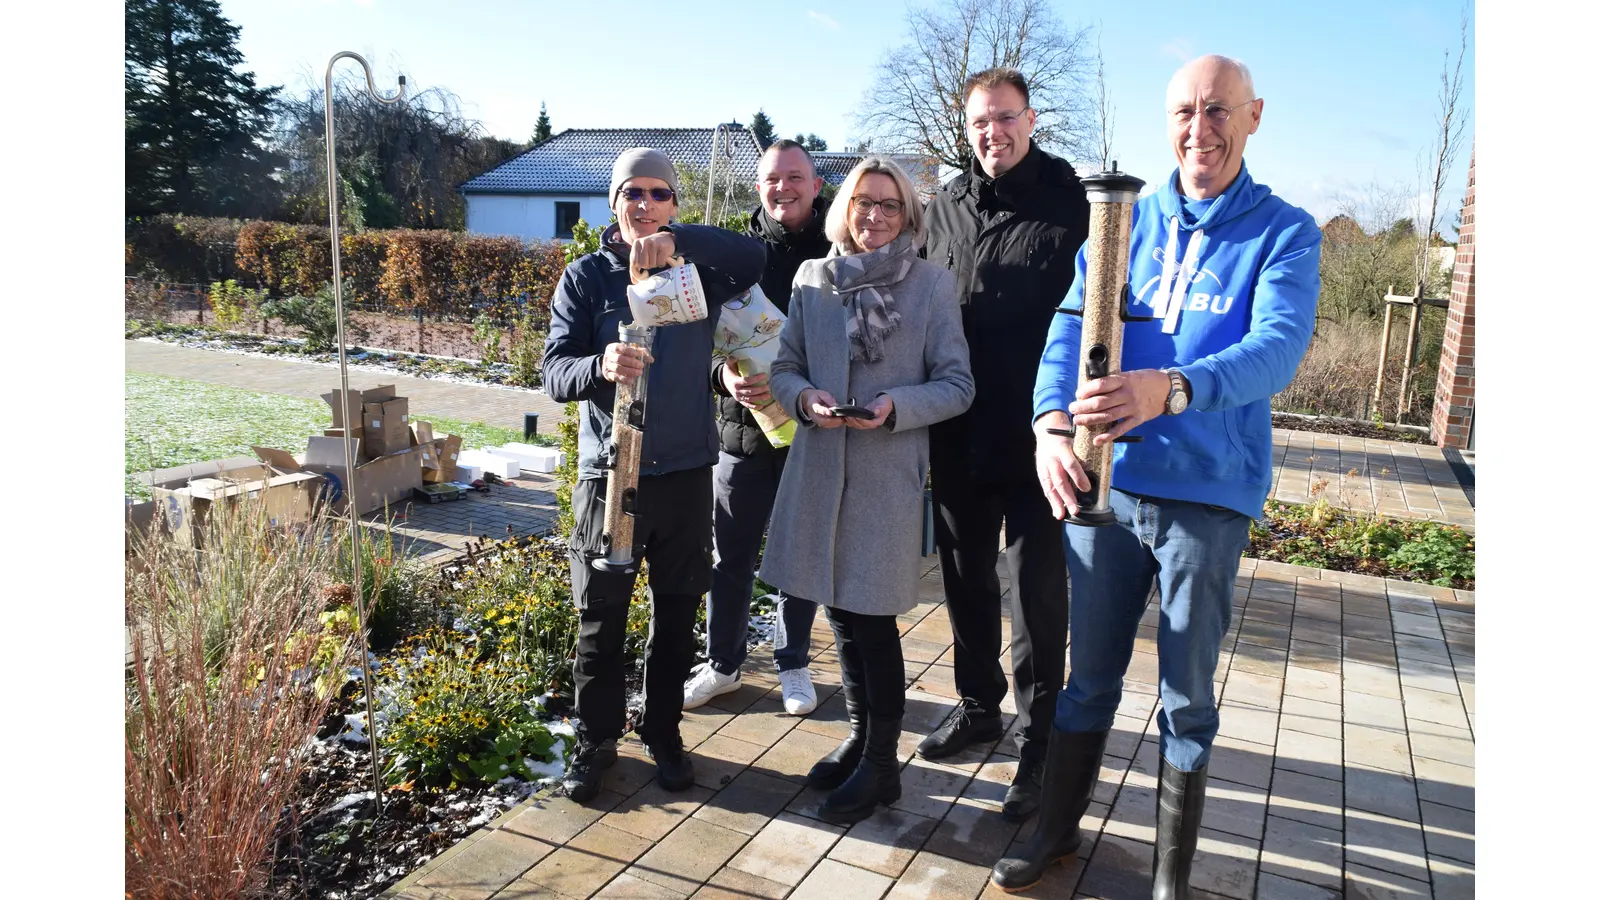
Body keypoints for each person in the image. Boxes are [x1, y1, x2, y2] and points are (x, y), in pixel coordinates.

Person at [990, 55, 1321, 896]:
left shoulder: (1285, 232)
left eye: (1218, 111)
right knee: (1088, 674)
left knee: (1184, 692)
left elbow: (1275, 349)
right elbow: (1070, 327)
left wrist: (1171, 388)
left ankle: (1171, 876)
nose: (1199, 129)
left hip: (1205, 498)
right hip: (1108, 488)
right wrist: (1047, 425)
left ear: (1253, 116)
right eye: (1185, 110)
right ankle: (1057, 835)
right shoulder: (1126, 223)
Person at [543, 147, 765, 803]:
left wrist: (677, 240)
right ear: (613, 203)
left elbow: (754, 257)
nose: (642, 204)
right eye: (631, 193)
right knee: (600, 619)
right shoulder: (586, 278)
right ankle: (596, 742)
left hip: (687, 477)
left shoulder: (700, 273)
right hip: (613, 479)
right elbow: (554, 372)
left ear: (674, 203)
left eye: (657, 193)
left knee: (676, 618)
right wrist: (599, 367)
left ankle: (663, 732)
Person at [758, 156, 974, 826]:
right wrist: (804, 399)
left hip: (885, 478)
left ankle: (883, 766)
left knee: (873, 619)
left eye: (889, 205)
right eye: (864, 203)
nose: (875, 216)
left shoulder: (932, 285)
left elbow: (958, 385)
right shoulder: (811, 280)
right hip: (821, 470)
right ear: (845, 209)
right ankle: (859, 737)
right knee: (838, 612)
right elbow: (785, 367)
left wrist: (895, 406)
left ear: (909, 214)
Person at [918, 66, 1090, 822]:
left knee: (1035, 596)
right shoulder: (946, 205)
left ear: (1031, 120)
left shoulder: (1072, 206)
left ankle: (1039, 740)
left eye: (1005, 118)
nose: (993, 133)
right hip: (956, 428)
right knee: (964, 579)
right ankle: (977, 703)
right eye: (980, 122)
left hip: (1038, 440)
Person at [684, 139, 832, 716]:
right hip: (740, 433)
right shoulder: (724, 256)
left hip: (811, 431)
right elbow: (687, 340)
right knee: (730, 557)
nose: (783, 189)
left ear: (816, 186)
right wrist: (723, 376)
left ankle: (793, 662)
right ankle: (723, 664)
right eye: (773, 179)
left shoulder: (840, 250)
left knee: (801, 555)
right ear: (758, 186)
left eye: (795, 178)